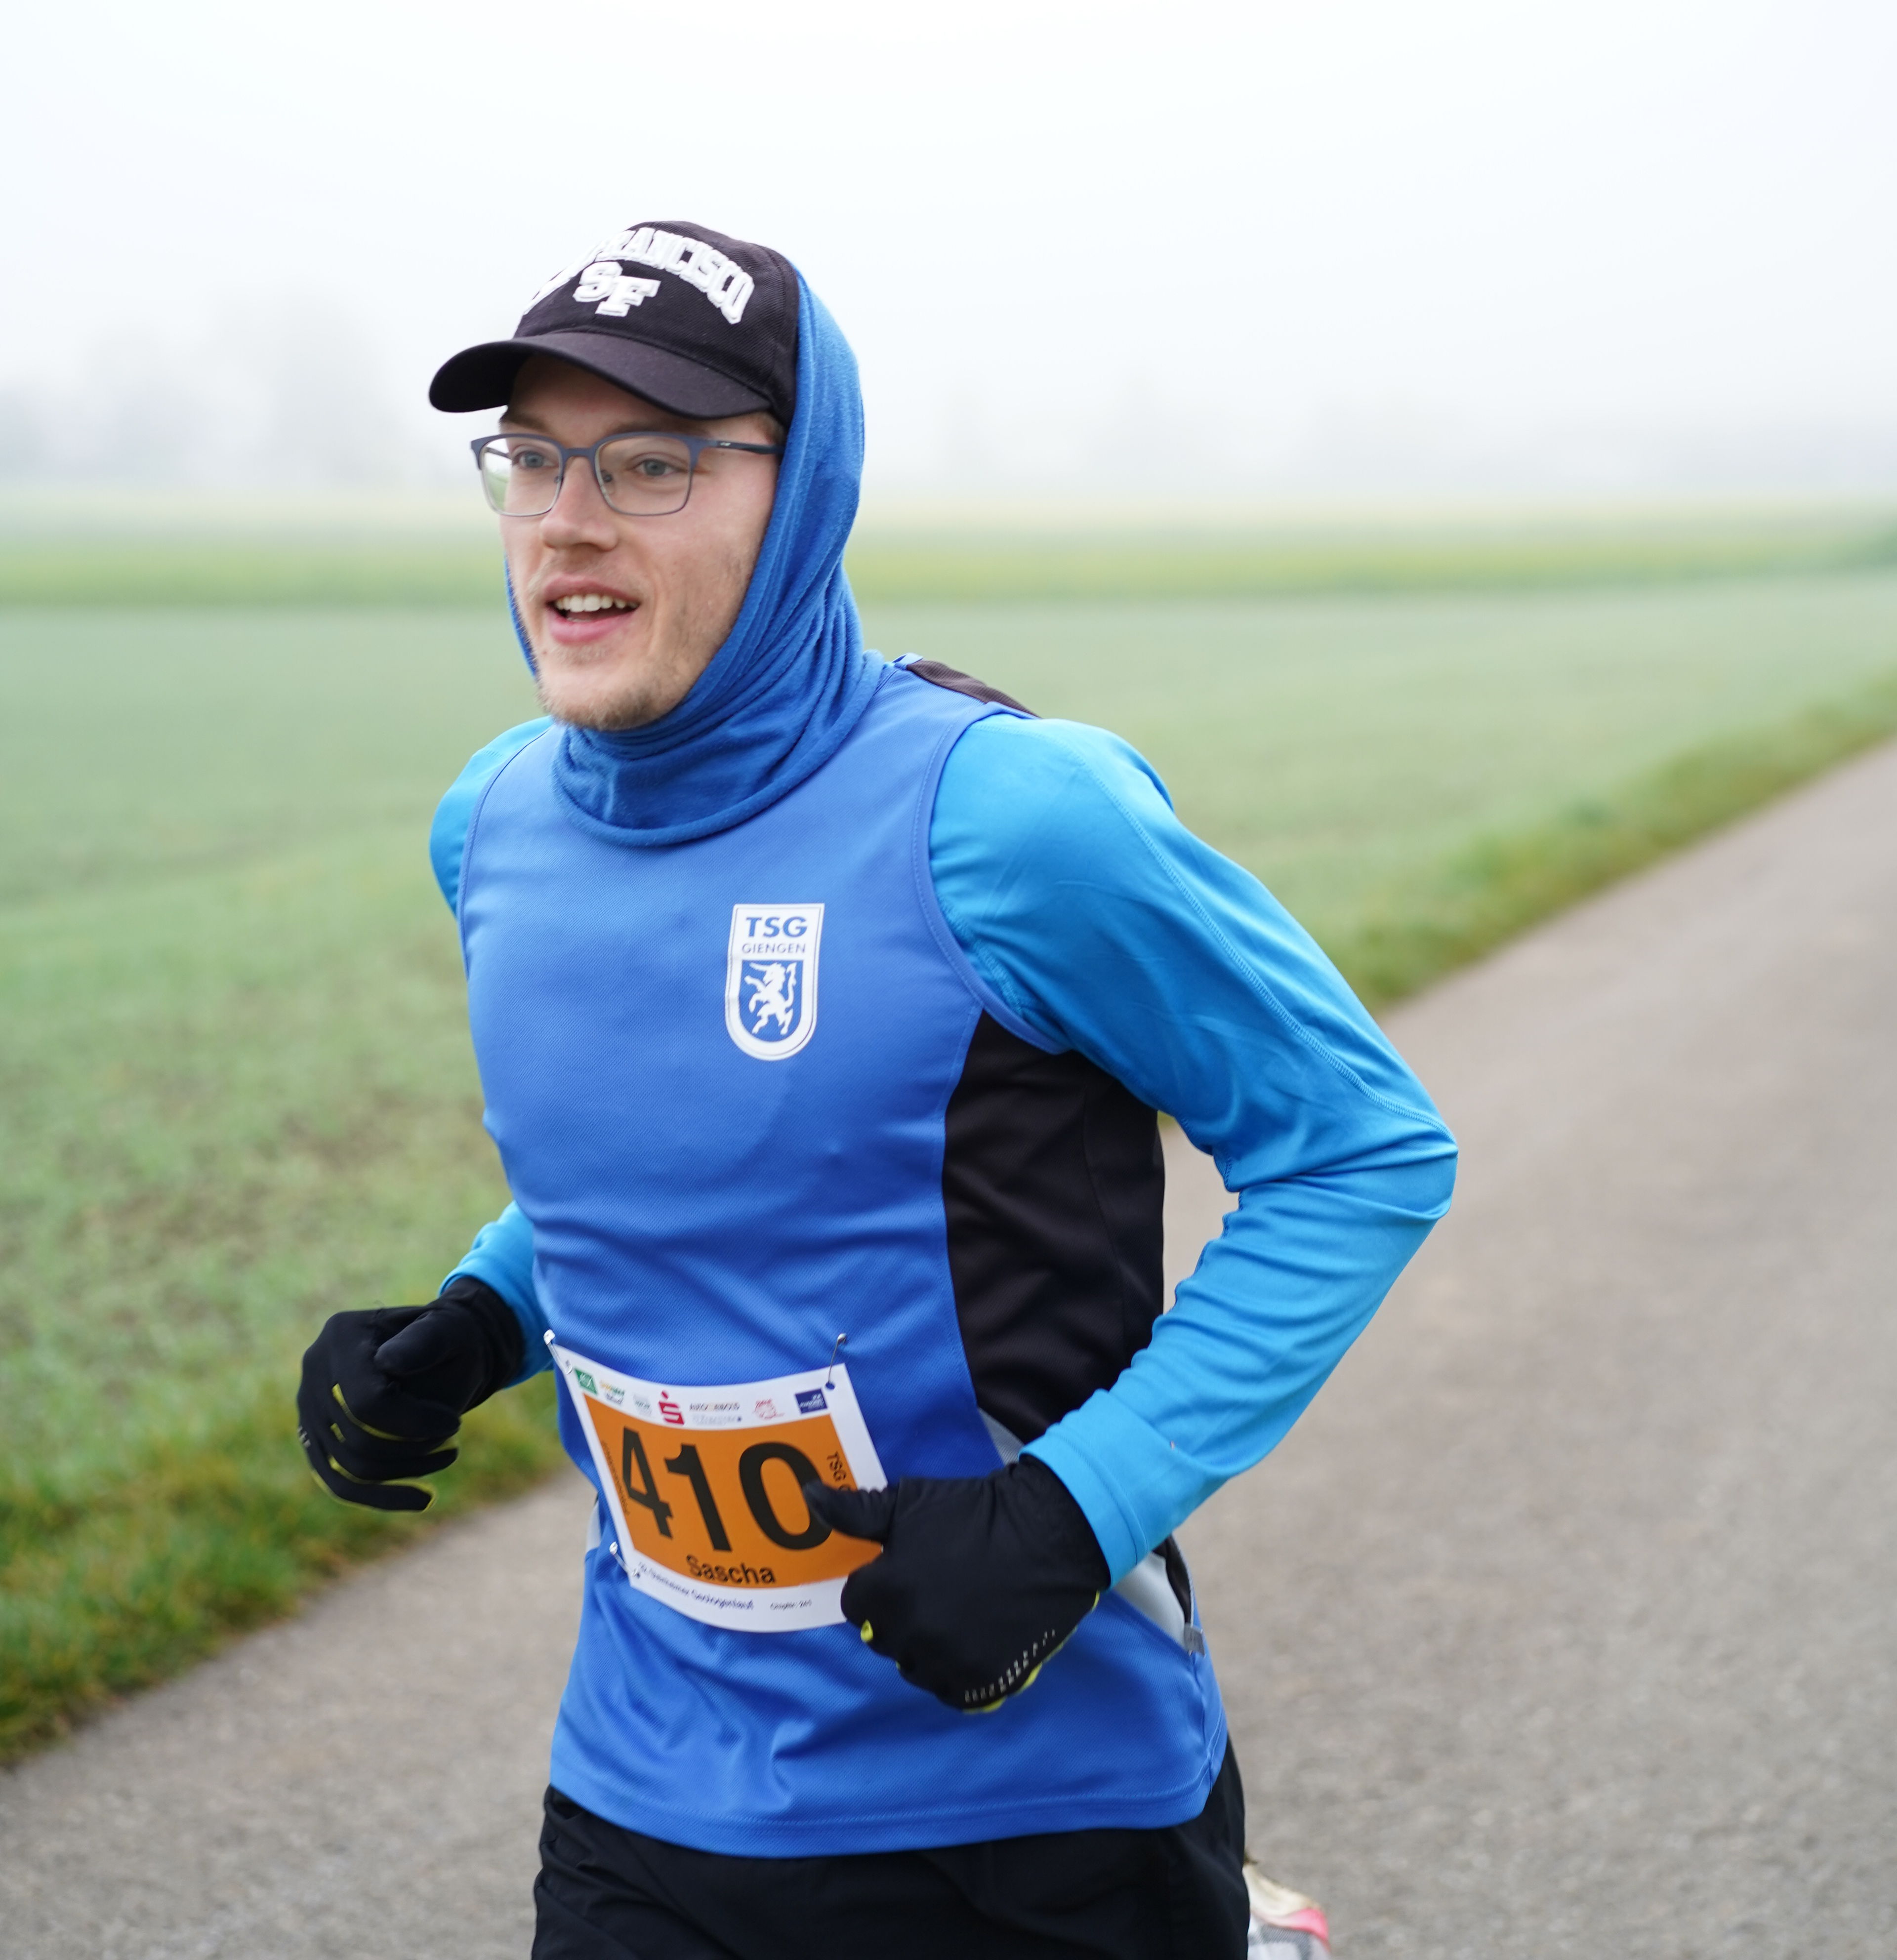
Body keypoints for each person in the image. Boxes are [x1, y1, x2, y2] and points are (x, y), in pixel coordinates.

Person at [297, 219, 1456, 1960]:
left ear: (806, 494)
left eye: (651, 463)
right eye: (531, 459)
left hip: (1032, 1803)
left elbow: (1363, 1153)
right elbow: (689, 1165)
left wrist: (1070, 1511)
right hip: (645, 1789)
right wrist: (479, 1316)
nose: (568, 520)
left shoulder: (1013, 818)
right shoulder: (496, 827)